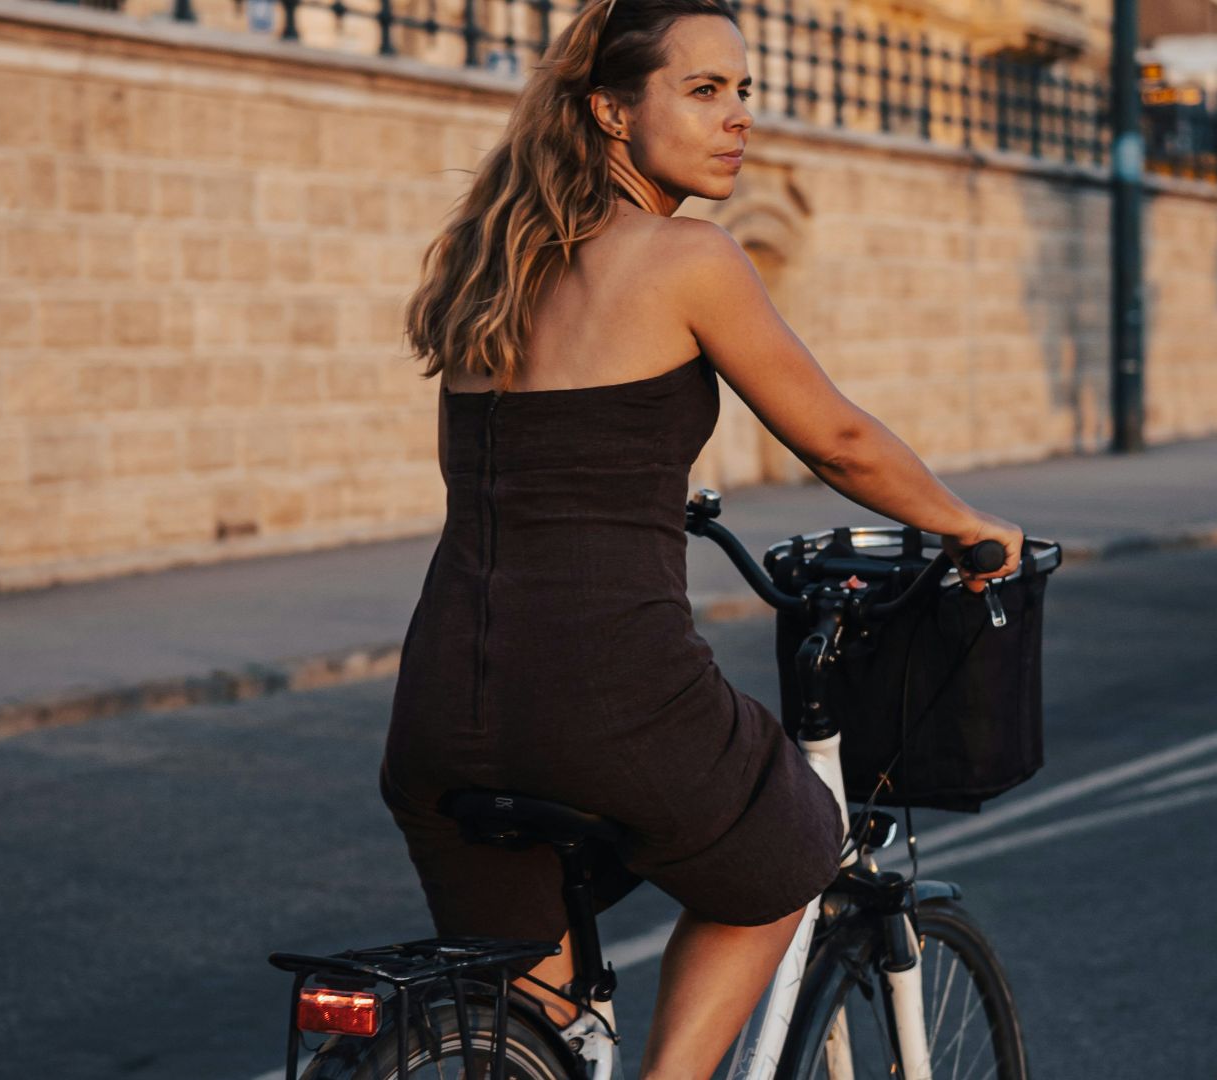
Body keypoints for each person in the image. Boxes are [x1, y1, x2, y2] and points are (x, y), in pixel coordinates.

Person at [380, 0, 1025, 1074]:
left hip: (442, 711)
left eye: (743, 90)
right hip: (607, 694)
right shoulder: (686, 257)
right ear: (611, 111)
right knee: (793, 851)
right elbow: (838, 440)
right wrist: (967, 525)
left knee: (539, 1033)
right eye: (703, 90)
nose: (738, 117)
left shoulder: (486, 259)